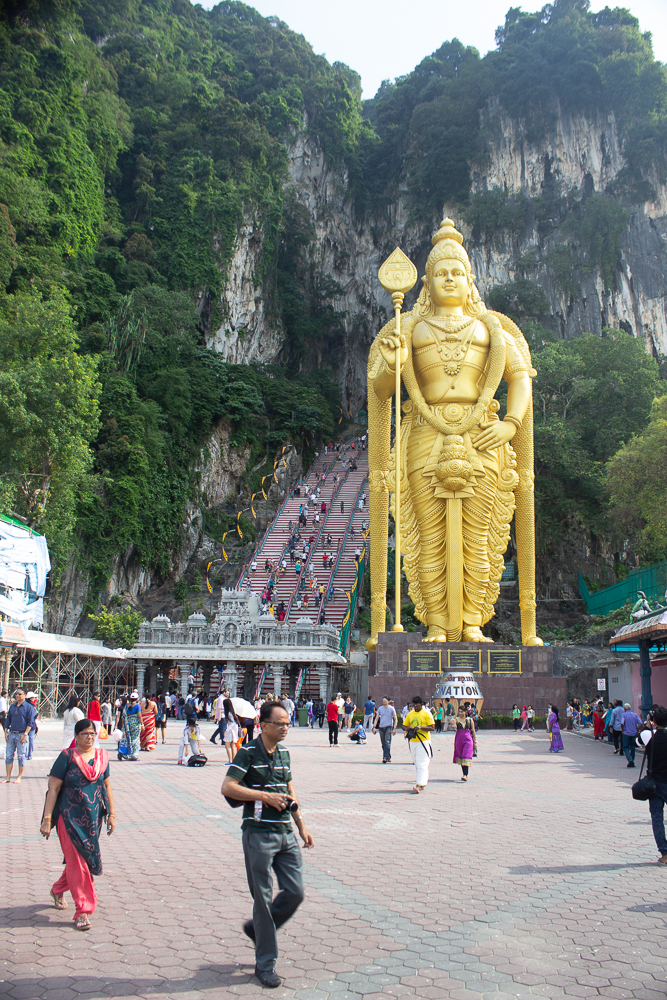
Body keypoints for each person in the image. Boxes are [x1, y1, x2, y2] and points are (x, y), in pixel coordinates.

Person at [221, 701, 314, 989]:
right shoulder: (248, 753)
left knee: (296, 891)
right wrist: (262, 797)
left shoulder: (284, 753)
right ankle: (265, 964)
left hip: (285, 833)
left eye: (288, 723)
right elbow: (228, 787)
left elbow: (288, 787)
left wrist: (301, 825)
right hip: (258, 834)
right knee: (262, 899)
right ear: (263, 725)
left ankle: (258, 929)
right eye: (280, 723)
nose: (286, 727)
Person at [39, 718, 115, 930]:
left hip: (92, 819)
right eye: (84, 734)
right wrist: (47, 819)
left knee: (81, 862)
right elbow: (53, 789)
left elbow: (107, 786)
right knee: (78, 864)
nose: (89, 737)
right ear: (76, 736)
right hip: (68, 817)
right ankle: (83, 910)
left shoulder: (102, 757)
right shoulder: (67, 757)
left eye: (92, 733)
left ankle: (57, 889)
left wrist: (112, 815)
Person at [642, 705, 667, 864]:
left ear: (654, 721)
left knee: (657, 817)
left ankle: (665, 854)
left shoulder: (648, 735)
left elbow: (638, 741)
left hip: (656, 783)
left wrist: (648, 726)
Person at [402, 696, 435, 793]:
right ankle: (422, 782)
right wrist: (407, 729)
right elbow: (404, 725)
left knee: (422, 763)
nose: (415, 707)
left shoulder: (426, 713)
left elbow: (432, 727)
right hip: (413, 741)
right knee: (417, 762)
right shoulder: (410, 714)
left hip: (423, 741)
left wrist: (420, 727)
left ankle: (420, 784)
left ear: (422, 705)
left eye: (417, 706)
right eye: (414, 706)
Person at [3, 689, 36, 784]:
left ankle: (19, 776)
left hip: (21, 734)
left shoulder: (28, 707)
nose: (17, 695)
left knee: (21, 756)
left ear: (25, 695)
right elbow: (8, 718)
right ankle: (8, 777)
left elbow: (30, 722)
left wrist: (25, 734)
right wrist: (6, 732)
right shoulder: (13, 706)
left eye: (19, 694)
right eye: (16, 694)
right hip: (12, 733)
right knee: (9, 756)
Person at [453, 704, 477, 781]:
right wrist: (452, 723)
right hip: (459, 740)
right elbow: (452, 723)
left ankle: (465, 775)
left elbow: (473, 731)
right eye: (459, 711)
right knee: (461, 756)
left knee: (465, 755)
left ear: (465, 712)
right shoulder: (457, 719)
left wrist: (475, 742)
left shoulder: (470, 720)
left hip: (468, 740)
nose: (460, 713)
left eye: (462, 711)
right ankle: (464, 773)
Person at [372, 697, 397, 762]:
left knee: (387, 742)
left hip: (389, 726)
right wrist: (374, 727)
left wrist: (394, 728)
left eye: (385, 700)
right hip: (381, 727)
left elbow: (395, 718)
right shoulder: (380, 708)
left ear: (388, 701)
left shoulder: (391, 709)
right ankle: (388, 756)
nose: (383, 701)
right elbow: (377, 718)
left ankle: (385, 757)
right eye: (382, 700)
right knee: (383, 743)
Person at [122, 693, 144, 759]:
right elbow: (139, 716)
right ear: (137, 699)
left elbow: (123, 715)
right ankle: (134, 754)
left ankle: (128, 753)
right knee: (136, 739)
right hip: (135, 724)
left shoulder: (126, 705)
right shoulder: (137, 706)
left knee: (128, 739)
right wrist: (142, 724)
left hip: (128, 724)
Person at [621, 703, 642, 767]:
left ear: (624, 709)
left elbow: (622, 723)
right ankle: (632, 760)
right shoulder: (635, 715)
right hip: (634, 733)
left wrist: (622, 729)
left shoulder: (624, 715)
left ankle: (630, 760)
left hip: (626, 733)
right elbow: (640, 723)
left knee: (625, 747)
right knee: (633, 747)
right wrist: (637, 730)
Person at [25, 691, 39, 759]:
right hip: (32, 725)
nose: (35, 698)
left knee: (24, 740)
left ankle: (24, 754)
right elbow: (36, 715)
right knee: (31, 739)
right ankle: (29, 755)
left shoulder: (24, 705)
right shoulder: (32, 707)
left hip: (24, 725)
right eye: (34, 697)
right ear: (30, 698)